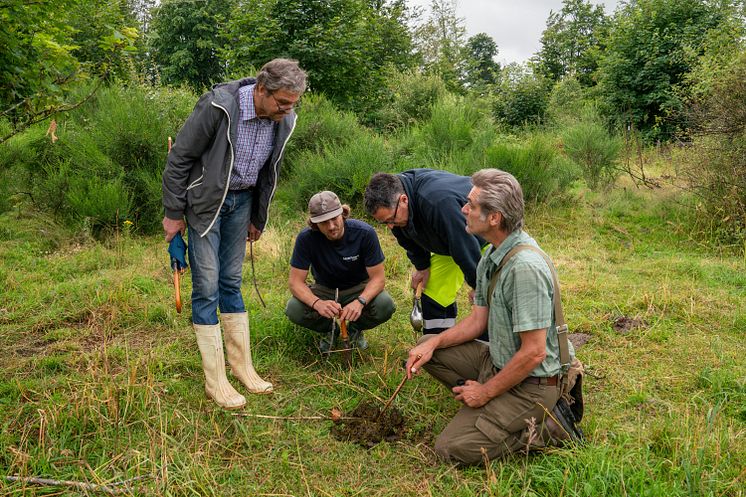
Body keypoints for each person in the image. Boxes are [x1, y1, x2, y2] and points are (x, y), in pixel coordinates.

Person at [404, 168, 576, 465]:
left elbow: (534, 353)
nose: (463, 209)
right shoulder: (492, 255)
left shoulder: (524, 268)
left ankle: (552, 427)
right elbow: (477, 322)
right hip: (499, 360)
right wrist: (432, 344)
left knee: (450, 448)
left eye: (471, 205)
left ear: (494, 217)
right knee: (431, 347)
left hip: (535, 383)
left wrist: (484, 393)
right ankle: (490, 406)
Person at [162, 58, 307, 409]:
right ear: (261, 90)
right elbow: (180, 158)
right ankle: (216, 381)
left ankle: (242, 368)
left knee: (231, 281)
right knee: (207, 286)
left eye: (293, 104)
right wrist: (173, 214)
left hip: (242, 204)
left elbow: (269, 171)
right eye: (282, 102)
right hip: (207, 204)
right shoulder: (218, 106)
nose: (287, 110)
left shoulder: (282, 120)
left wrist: (258, 217)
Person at [364, 169, 486, 336]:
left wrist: (478, 286)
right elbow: (406, 236)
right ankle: (438, 346)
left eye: (391, 220)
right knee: (432, 292)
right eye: (385, 222)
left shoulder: (437, 202)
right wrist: (422, 267)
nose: (390, 226)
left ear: (404, 200)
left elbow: (464, 246)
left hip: (483, 237)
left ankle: (490, 344)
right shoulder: (397, 200)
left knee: (490, 296)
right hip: (448, 243)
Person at [285, 191, 395, 352]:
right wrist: (317, 303)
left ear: (342, 214)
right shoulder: (306, 238)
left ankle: (355, 329)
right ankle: (330, 330)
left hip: (358, 287)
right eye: (323, 222)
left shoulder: (365, 233)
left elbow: (378, 279)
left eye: (334, 219)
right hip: (324, 289)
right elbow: (295, 282)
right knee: (293, 309)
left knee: (385, 305)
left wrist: (360, 302)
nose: (331, 226)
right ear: (314, 224)